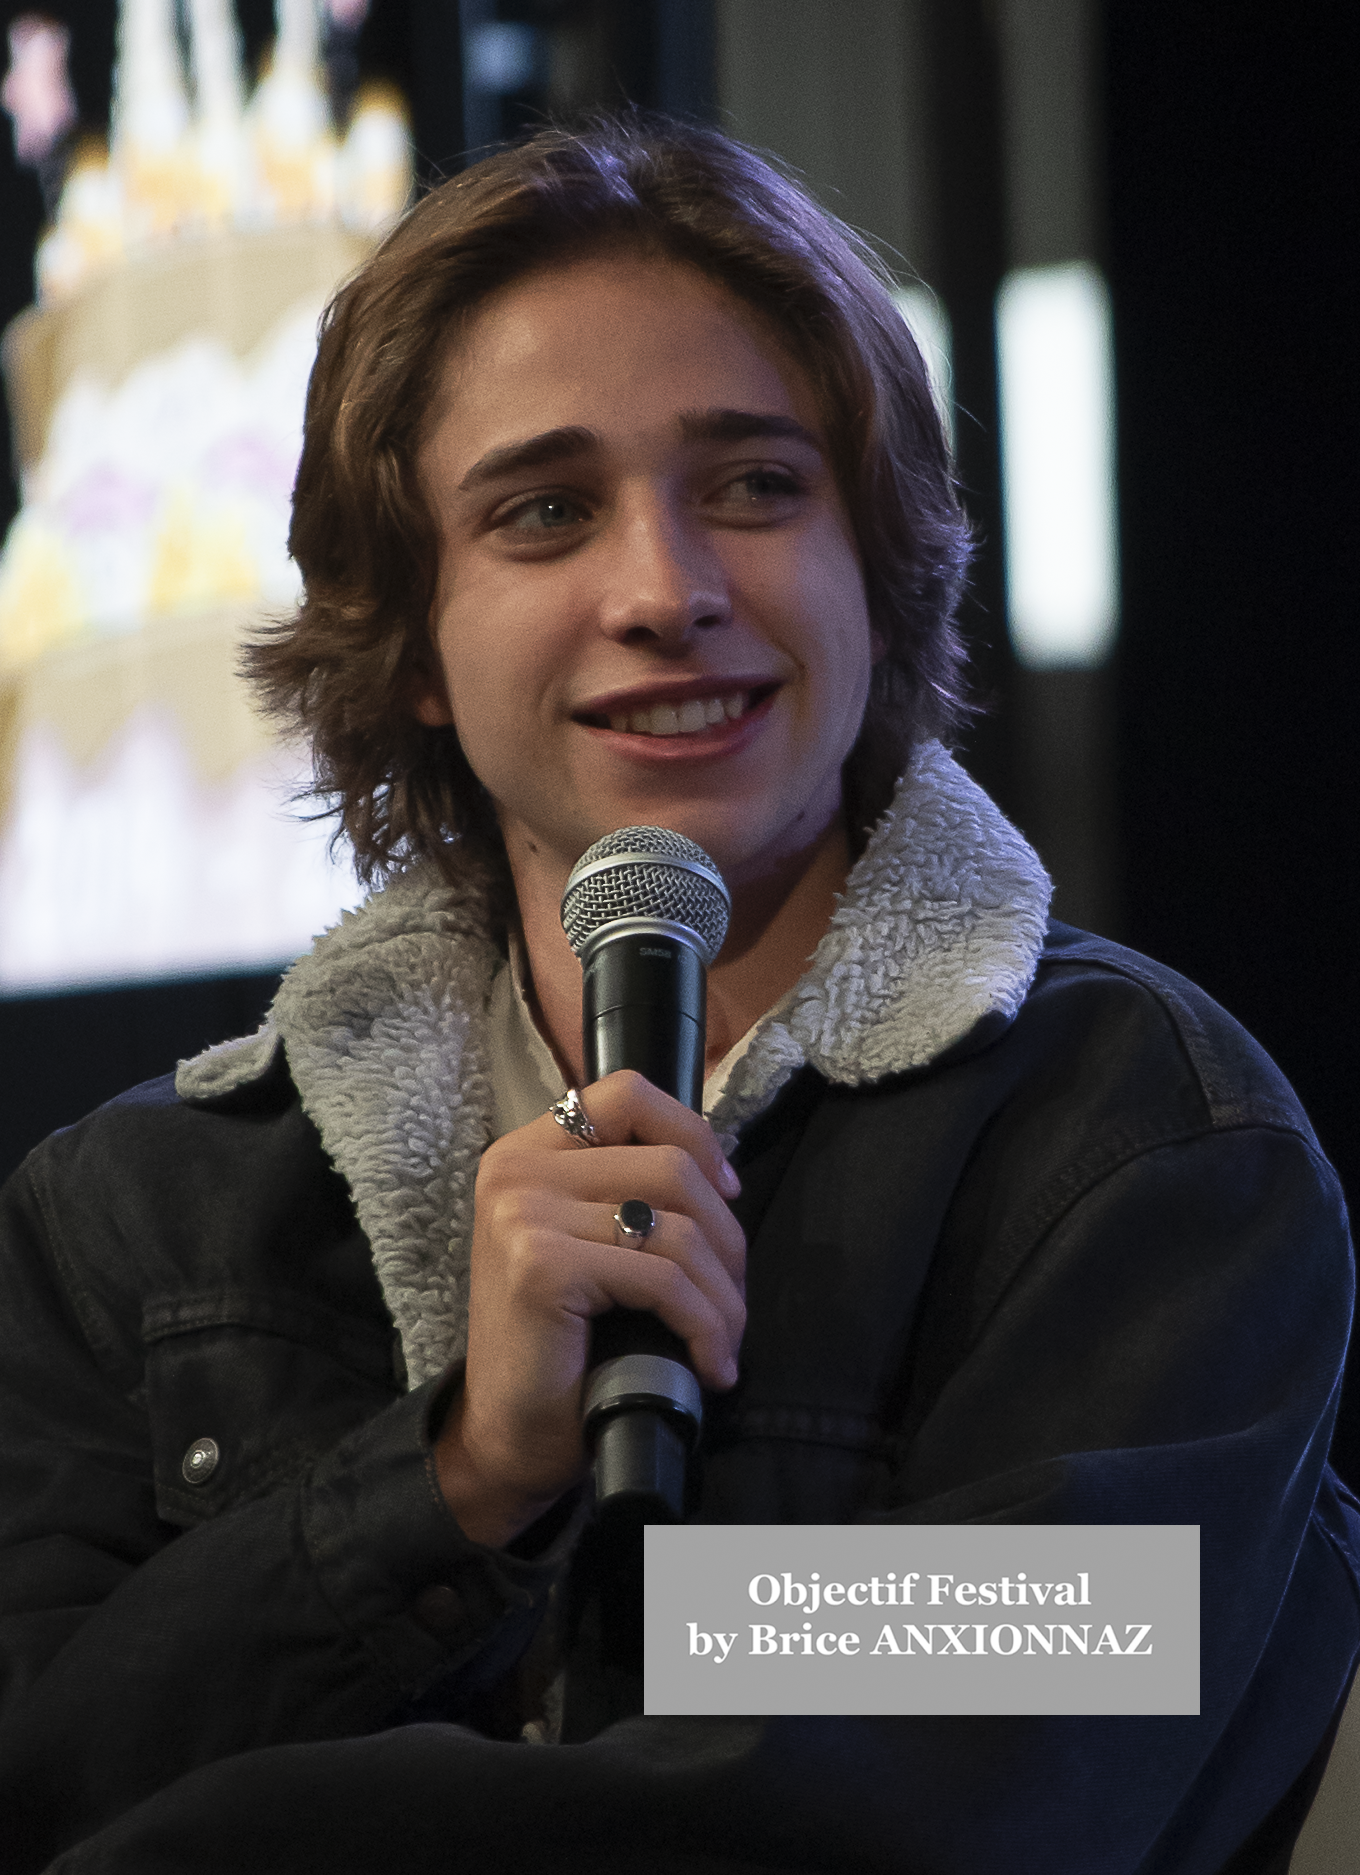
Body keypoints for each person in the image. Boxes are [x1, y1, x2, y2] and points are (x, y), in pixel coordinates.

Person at [0, 116, 1356, 1875]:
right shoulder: (129, 1222)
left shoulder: (1142, 1142)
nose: (668, 590)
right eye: (547, 510)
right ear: (409, 635)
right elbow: (42, 1774)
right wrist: (465, 1474)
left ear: (879, 561)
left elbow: (948, 1807)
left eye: (756, 485)